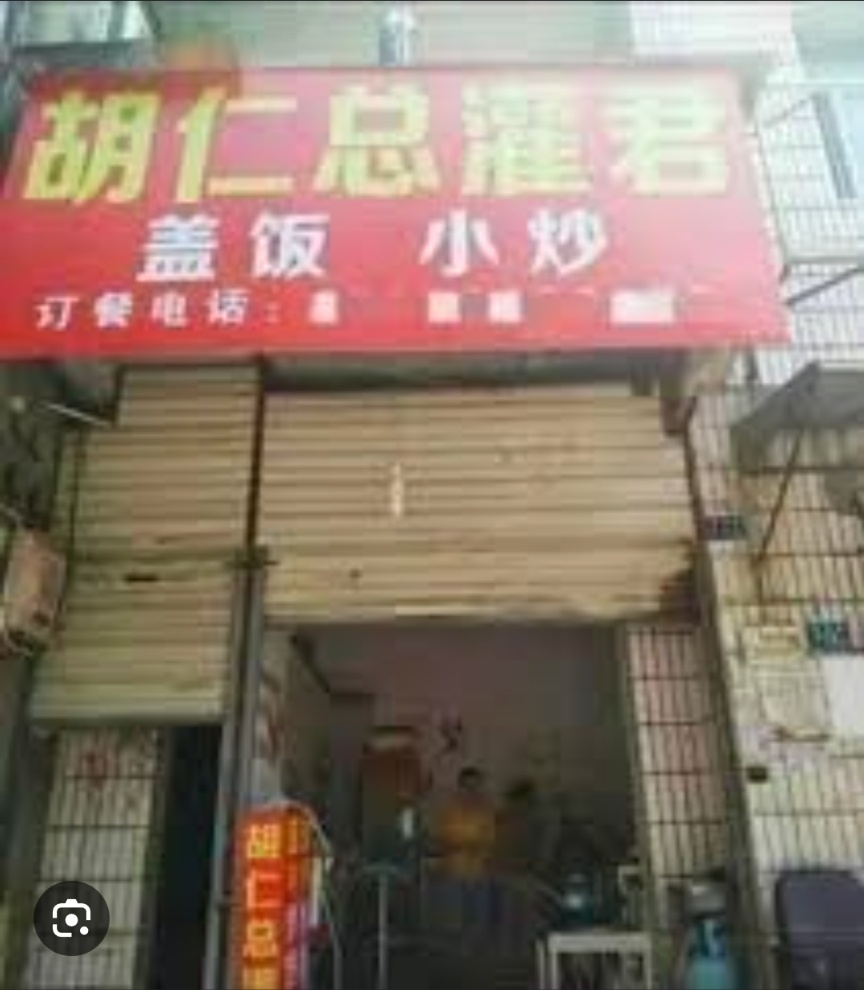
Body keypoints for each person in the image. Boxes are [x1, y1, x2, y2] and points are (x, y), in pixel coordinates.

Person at [436, 766, 497, 880]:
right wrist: (462, 845)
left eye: (475, 786)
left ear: (479, 787)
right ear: (460, 787)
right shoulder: (450, 809)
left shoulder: (486, 809)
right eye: (467, 786)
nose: (471, 791)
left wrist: (478, 848)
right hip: (454, 869)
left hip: (479, 870)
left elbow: (490, 839)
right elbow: (444, 837)